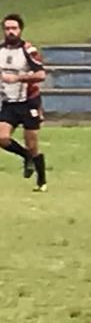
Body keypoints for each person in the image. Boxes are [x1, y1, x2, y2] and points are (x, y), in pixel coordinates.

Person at [0, 13, 48, 191]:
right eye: (7, 28)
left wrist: (18, 78)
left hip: (29, 102)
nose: (10, 32)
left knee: (33, 144)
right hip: (9, 103)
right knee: (2, 137)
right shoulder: (1, 51)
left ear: (20, 30)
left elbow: (41, 74)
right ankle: (26, 157)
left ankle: (42, 181)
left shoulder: (28, 50)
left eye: (14, 28)